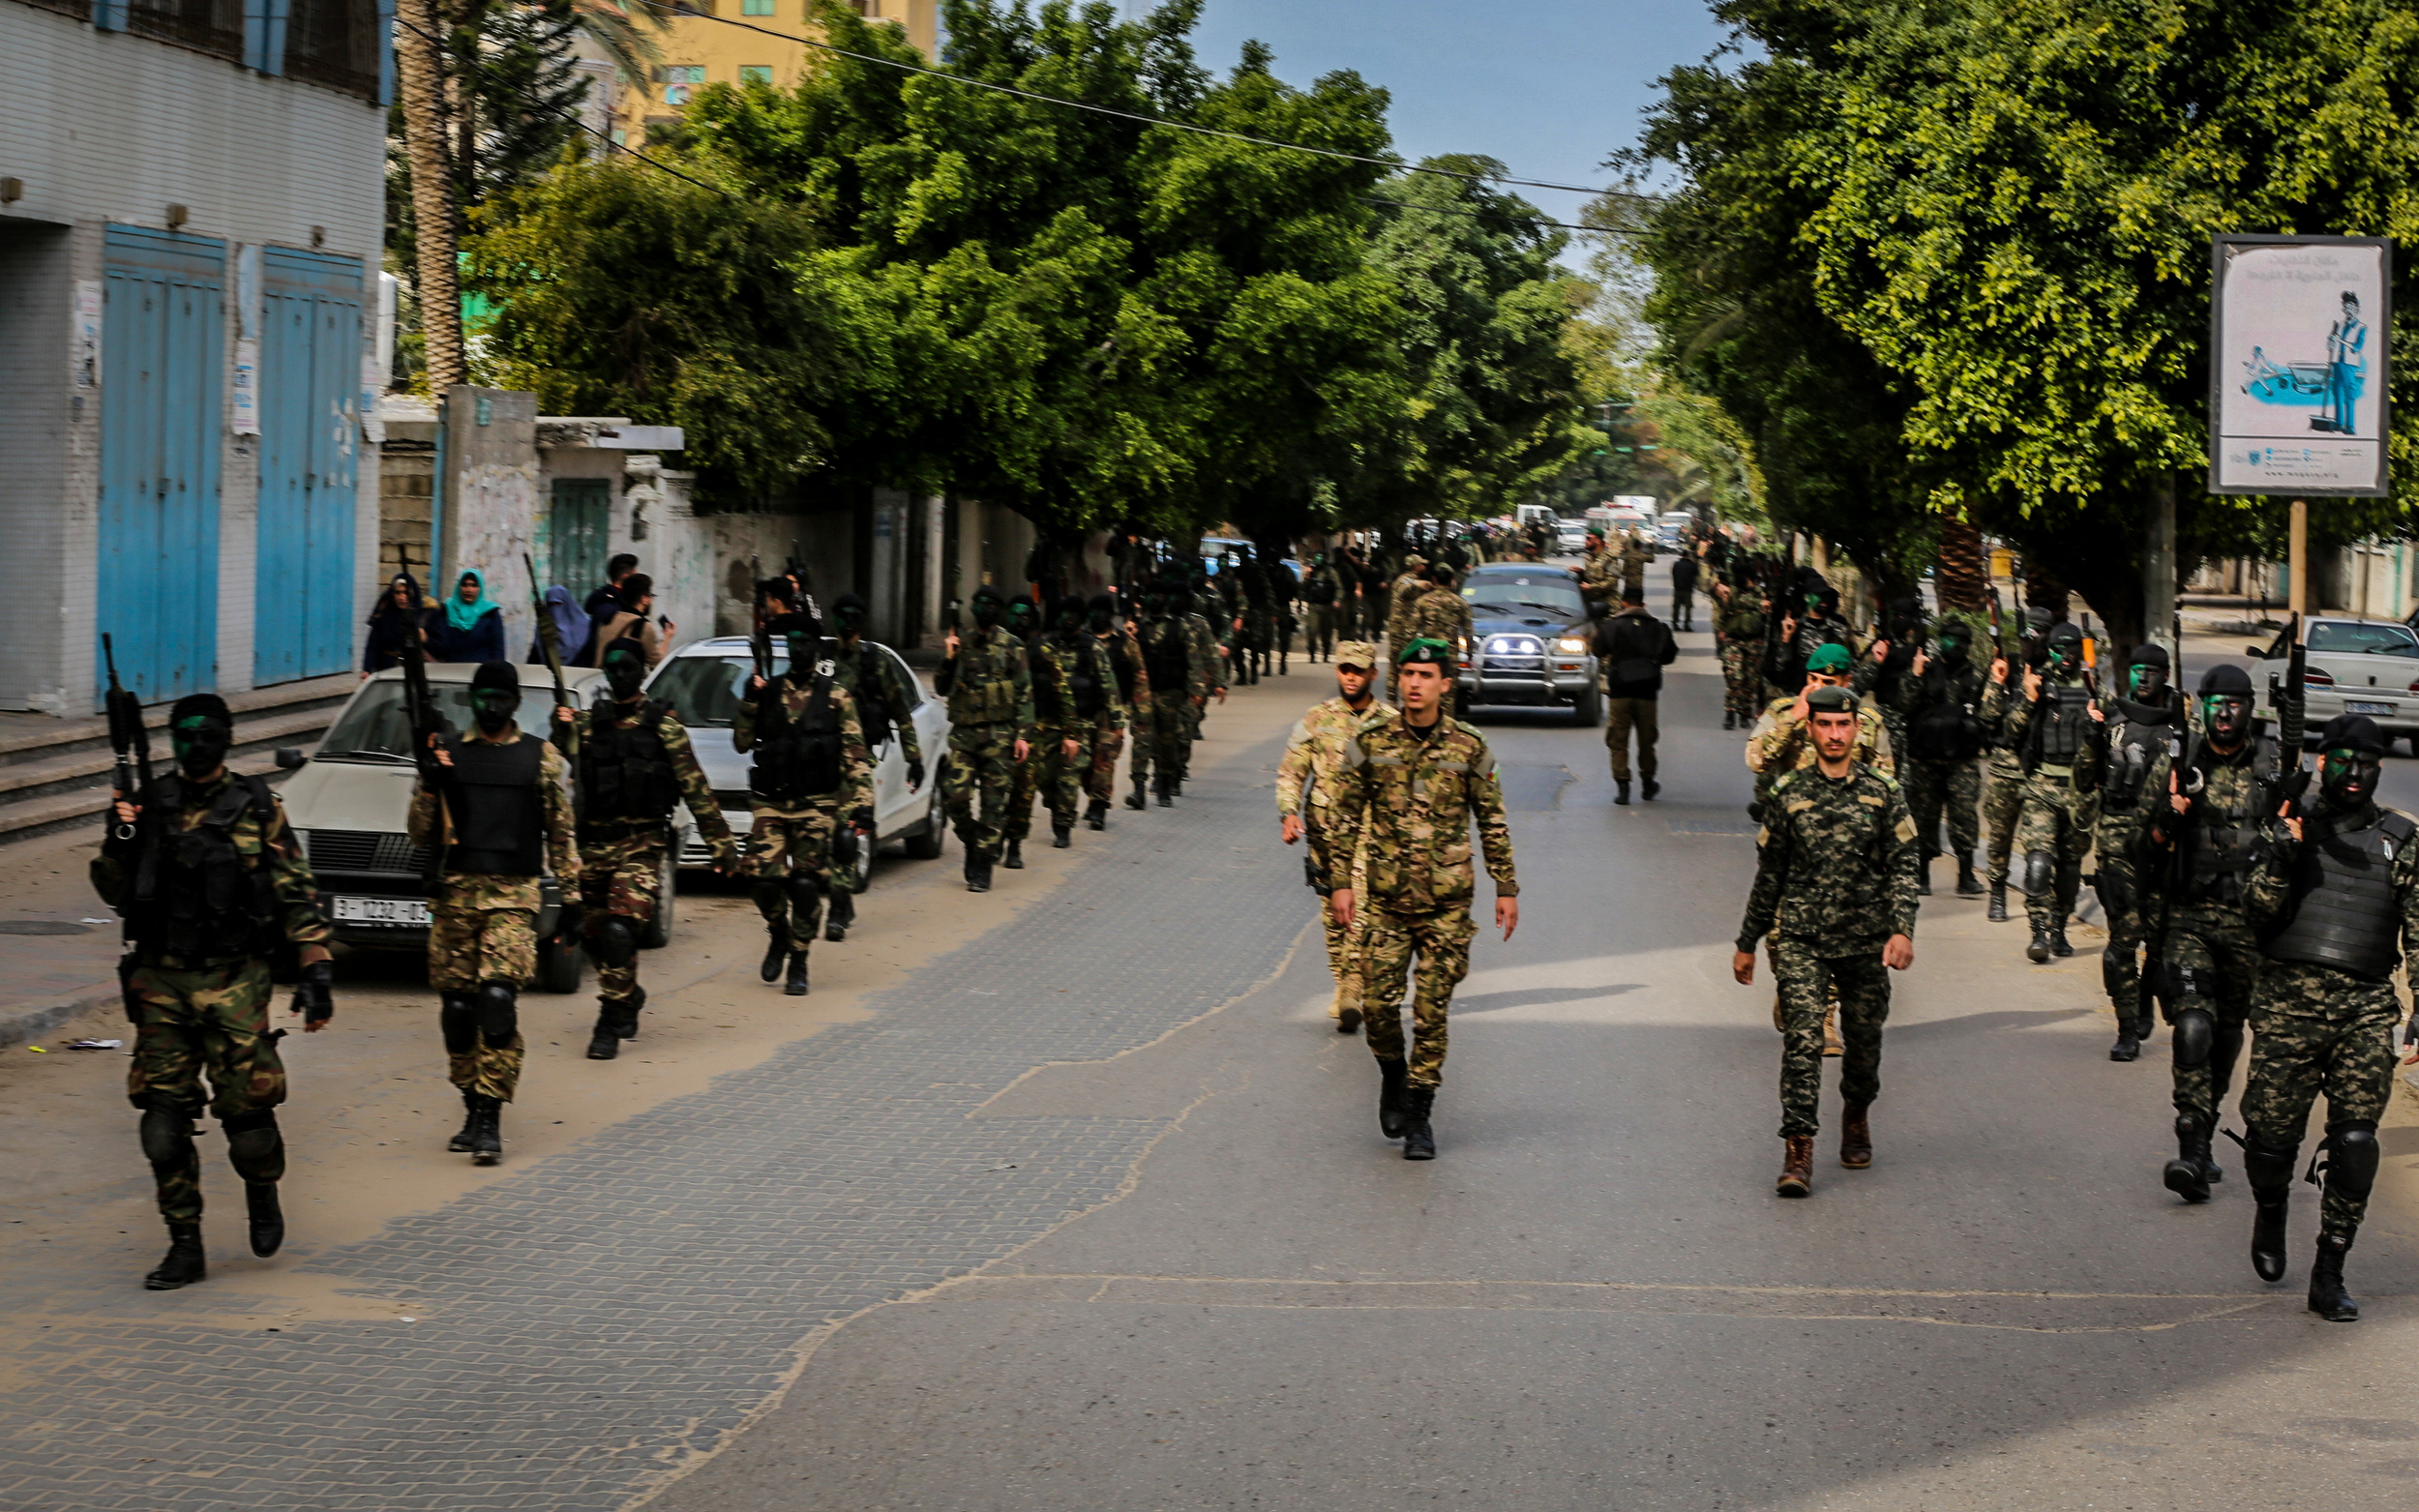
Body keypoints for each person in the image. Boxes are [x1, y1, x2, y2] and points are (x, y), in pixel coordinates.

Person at [92, 694, 336, 1290]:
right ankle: (185, 1245)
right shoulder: (147, 805)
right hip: (162, 981)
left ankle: (261, 1188)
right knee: (161, 1124)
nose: (195, 744)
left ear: (227, 740)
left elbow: (295, 890)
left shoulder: (256, 806)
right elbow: (112, 892)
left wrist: (316, 967)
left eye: (207, 734)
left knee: (249, 1123)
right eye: (184, 733)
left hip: (235, 981)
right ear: (170, 739)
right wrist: (121, 841)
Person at [2238, 715, 2412, 1320]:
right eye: (2342, 761)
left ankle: (2330, 1271)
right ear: (2322, 762)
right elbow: (2254, 913)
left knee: (2358, 1142)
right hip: (2288, 1005)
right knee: (2269, 1141)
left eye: (2366, 763)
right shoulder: (2288, 823)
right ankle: (2271, 1206)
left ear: (2380, 768)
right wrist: (2283, 851)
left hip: (2364, 1008)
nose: (2354, 773)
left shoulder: (2401, 840)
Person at [1328, 637, 1518, 1160]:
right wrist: (1341, 881)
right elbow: (1344, 816)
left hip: (1447, 905)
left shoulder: (1469, 747)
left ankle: (1420, 1117)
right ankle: (1392, 1072)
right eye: (1408, 673)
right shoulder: (1370, 740)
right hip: (1386, 901)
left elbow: (1492, 821)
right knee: (1380, 1008)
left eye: (1425, 675)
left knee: (1432, 1013)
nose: (1414, 683)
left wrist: (1506, 887)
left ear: (1445, 684)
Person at [1732, 684, 1920, 1197]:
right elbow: (1769, 873)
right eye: (1824, 725)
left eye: (1843, 725)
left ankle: (1856, 1111)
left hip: (1864, 941)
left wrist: (1902, 929)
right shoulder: (1788, 791)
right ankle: (1798, 1150)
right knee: (1804, 1041)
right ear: (1809, 729)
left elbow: (1905, 866)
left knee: (1864, 1045)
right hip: (1801, 938)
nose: (1835, 734)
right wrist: (1748, 941)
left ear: (1856, 727)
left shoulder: (1884, 792)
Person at [407, 662, 580, 1165]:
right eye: (483, 697)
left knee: (497, 1002)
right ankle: (470, 1099)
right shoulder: (449, 754)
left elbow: (561, 832)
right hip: (456, 897)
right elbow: (420, 833)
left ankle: (490, 1115)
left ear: (515, 702)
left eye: (500, 698)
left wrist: (571, 898)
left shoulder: (540, 758)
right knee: (458, 1014)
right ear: (472, 700)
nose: (491, 706)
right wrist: (428, 782)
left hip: (513, 898)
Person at [2138, 664, 2277, 1203]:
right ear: (2201, 706)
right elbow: (2141, 848)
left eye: (2235, 704)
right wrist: (2168, 819)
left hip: (2250, 927)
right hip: (2189, 919)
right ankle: (2191, 1147)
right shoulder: (2178, 764)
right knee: (2194, 1025)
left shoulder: (2271, 767)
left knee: (2225, 1037)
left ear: (2250, 709)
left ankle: (2208, 1125)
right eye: (2215, 703)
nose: (2224, 713)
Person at [572, 636, 737, 1058]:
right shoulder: (586, 726)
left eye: (628, 667)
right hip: (593, 849)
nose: (620, 675)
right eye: (613, 669)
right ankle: (627, 993)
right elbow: (545, 761)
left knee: (618, 929)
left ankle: (609, 1020)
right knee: (587, 932)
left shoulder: (664, 728)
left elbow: (695, 788)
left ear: (642, 672)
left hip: (641, 848)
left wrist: (722, 844)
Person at [732, 610, 876, 992]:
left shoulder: (836, 698)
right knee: (761, 879)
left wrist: (863, 805)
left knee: (806, 885)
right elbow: (742, 742)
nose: (798, 648)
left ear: (815, 648)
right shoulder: (768, 692)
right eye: (792, 642)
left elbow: (856, 756)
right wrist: (748, 702)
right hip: (771, 804)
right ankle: (778, 930)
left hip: (817, 805)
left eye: (805, 642)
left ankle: (799, 956)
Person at [1277, 641, 1394, 1033]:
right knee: (1332, 912)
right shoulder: (1317, 718)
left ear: (1372, 675)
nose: (1350, 676)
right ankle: (1343, 980)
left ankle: (1353, 986)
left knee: (1358, 904)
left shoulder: (1391, 723)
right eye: (1345, 669)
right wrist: (1288, 813)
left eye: (1358, 670)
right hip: (1325, 834)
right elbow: (1292, 770)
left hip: (1369, 834)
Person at [2092, 643, 2194, 1060]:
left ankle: (2147, 994)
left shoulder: (2181, 727)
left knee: (2161, 940)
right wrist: (2090, 739)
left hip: (2163, 845)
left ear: (2166, 675)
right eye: (2137, 670)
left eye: (2153, 671)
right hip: (2117, 846)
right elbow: (2086, 779)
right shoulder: (2112, 719)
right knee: (2122, 942)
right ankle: (2127, 1027)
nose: (2144, 678)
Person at [820, 592, 927, 938]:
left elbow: (900, 711)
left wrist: (915, 759)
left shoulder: (876, 661)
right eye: (842, 614)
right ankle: (843, 896)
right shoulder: (822, 658)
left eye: (855, 615)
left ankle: (837, 908)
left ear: (862, 622)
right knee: (819, 840)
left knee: (847, 835)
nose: (848, 621)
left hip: (858, 761)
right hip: (819, 758)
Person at [2004, 621, 2104, 962]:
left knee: (2071, 869)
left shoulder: (2093, 687)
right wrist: (2029, 699)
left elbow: (2109, 741)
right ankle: (2039, 932)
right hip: (2042, 788)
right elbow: (2010, 733)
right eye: (2060, 649)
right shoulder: (2037, 681)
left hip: (2080, 793)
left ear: (2080, 650)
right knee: (2038, 864)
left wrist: (2098, 724)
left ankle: (2060, 926)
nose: (2066, 655)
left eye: (2072, 649)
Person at [937, 582, 1035, 892]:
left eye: (993, 605)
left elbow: (1024, 693)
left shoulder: (1012, 646)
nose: (987, 610)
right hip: (965, 736)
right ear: (973, 608)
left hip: (999, 736)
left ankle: (981, 864)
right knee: (955, 796)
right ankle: (972, 840)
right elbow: (941, 687)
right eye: (981, 604)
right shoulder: (961, 644)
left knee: (994, 805)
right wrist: (949, 657)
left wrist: (1023, 736)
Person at [1007, 597, 1110, 862]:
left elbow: (1070, 690)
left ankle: (1061, 826)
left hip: (1065, 725)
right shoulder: (1004, 648)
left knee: (1066, 778)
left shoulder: (1052, 650)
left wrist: (1074, 733)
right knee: (1040, 780)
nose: (1069, 618)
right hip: (1021, 727)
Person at [1893, 617, 1989, 899]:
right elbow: (1904, 705)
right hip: (1926, 759)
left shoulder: (1975, 675)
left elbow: (1987, 714)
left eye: (1962, 642)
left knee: (1965, 816)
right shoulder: (1924, 669)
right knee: (1924, 817)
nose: (1956, 646)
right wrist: (1914, 675)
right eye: (1950, 639)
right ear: (1940, 641)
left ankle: (1966, 874)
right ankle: (1921, 875)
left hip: (1962, 760)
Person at [1594, 585, 1680, 805]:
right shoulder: (1658, 628)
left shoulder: (1611, 626)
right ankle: (1648, 783)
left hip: (1619, 692)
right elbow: (1669, 655)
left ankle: (1623, 787)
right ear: (1643, 604)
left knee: (1618, 740)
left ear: (1623, 603)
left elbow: (1597, 650)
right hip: (1647, 693)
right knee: (1647, 740)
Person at [1129, 580, 1200, 809]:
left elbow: (1193, 661)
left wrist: (1196, 690)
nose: (1157, 599)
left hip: (1171, 694)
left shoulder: (1179, 627)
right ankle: (1138, 788)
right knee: (1141, 740)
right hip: (1144, 695)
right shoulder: (1138, 628)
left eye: (1161, 595)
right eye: (1153, 594)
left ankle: (1165, 784)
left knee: (1167, 742)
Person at [1084, 594, 1143, 830]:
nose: (1099, 616)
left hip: (1113, 713)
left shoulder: (1125, 643)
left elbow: (1140, 676)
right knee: (1083, 763)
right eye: (1094, 611)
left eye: (1103, 612)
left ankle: (1099, 805)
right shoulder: (1081, 641)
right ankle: (1091, 793)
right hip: (1084, 711)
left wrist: (1141, 712)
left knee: (1104, 759)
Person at [1714, 577, 1767, 732]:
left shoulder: (1760, 593)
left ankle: (1744, 713)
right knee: (1735, 677)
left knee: (1750, 680)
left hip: (1754, 642)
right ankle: (1730, 713)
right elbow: (1723, 610)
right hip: (1733, 641)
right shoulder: (1730, 592)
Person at [592, 574, 672, 669]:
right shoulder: (644, 627)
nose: (652, 600)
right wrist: (667, 637)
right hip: (627, 682)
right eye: (651, 595)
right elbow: (659, 664)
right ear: (644, 599)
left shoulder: (608, 619)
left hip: (601, 680)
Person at [427, 569, 506, 665]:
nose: (469, 589)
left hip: (481, 673)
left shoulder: (490, 613)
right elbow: (440, 644)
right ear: (458, 587)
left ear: (480, 588)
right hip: (451, 671)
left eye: (473, 585)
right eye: (464, 585)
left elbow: (497, 650)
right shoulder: (447, 610)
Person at [364, 572, 433, 676]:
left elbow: (440, 645)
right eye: (398, 592)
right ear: (392, 593)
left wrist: (425, 638)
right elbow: (373, 645)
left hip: (412, 672)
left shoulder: (422, 615)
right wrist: (367, 670)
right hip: (386, 670)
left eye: (406, 592)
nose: (402, 597)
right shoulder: (384, 615)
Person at [528, 584, 587, 666]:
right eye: (551, 605)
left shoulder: (585, 626)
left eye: (558, 603)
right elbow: (535, 658)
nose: (555, 609)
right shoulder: (543, 628)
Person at [1299, 555, 1340, 664]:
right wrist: (1308, 576)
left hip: (1327, 607)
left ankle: (1326, 654)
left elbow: (1338, 587)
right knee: (1312, 631)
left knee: (1326, 633)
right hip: (1314, 607)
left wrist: (1337, 600)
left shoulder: (1330, 572)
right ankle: (1312, 654)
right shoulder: (1311, 571)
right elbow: (1303, 588)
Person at [1669, 548, 1699, 633]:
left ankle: (1675, 624)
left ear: (1682, 555)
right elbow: (1697, 573)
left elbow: (1673, 574)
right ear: (1689, 556)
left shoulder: (1676, 564)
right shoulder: (1692, 565)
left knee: (1676, 607)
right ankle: (1686, 624)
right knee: (1688, 608)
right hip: (1688, 589)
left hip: (1678, 588)